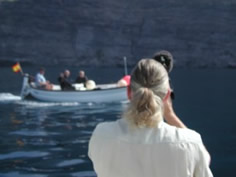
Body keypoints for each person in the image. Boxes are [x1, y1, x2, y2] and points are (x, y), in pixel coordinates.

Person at [88, 59, 213, 177]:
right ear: (167, 96)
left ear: (129, 92)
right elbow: (203, 161)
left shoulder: (101, 134)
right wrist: (170, 115)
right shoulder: (190, 142)